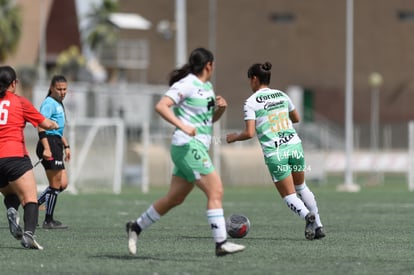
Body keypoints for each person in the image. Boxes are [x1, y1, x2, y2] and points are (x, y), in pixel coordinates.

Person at [126, 47, 245, 256]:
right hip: (187, 147)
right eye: (214, 64)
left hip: (196, 147)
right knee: (215, 190)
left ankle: (136, 226)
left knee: (175, 198)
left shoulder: (207, 87)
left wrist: (221, 110)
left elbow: (207, 122)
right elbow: (161, 106)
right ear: (209, 65)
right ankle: (221, 243)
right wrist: (182, 126)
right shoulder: (187, 84)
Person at [226, 62, 325, 240]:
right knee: (301, 186)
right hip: (295, 145)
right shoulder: (282, 95)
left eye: (250, 80)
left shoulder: (251, 102)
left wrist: (234, 137)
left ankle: (306, 216)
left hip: (276, 153)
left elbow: (249, 133)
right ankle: (318, 225)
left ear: (254, 79)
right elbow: (296, 118)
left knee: (289, 195)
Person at [0, 65, 58, 249]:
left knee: (10, 191)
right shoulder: (20, 102)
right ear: (14, 83)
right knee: (30, 199)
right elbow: (45, 123)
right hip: (14, 156)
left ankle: (11, 209)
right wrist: (55, 124)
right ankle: (28, 235)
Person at [36, 75, 70, 229]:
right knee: (55, 184)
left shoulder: (59, 103)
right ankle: (48, 221)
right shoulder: (49, 103)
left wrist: (67, 146)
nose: (62, 92)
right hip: (48, 144)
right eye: (59, 89)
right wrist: (47, 148)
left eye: (65, 89)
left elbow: (58, 129)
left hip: (56, 143)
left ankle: (32, 205)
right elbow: (41, 126)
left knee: (62, 184)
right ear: (51, 88)